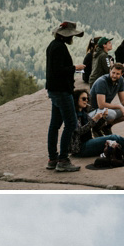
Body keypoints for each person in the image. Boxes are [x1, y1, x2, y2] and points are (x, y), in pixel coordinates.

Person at [45, 20, 83, 172]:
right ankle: (63, 159)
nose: (72, 38)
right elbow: (59, 70)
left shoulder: (53, 46)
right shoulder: (60, 48)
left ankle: (52, 158)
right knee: (71, 123)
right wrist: (75, 68)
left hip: (54, 90)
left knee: (55, 125)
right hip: (62, 91)